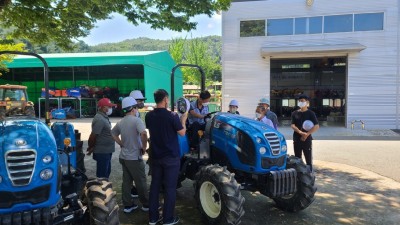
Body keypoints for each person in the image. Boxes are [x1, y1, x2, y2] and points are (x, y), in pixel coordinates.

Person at [145, 89, 187, 225]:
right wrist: (184, 119)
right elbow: (182, 133)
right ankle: (168, 219)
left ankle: (153, 218)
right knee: (169, 188)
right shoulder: (172, 116)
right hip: (170, 158)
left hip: (155, 156)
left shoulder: (149, 116)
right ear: (165, 99)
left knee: (155, 186)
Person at [111, 97, 149, 213]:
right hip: (134, 157)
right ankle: (146, 204)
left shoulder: (121, 121)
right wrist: (144, 147)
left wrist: (121, 143)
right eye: (136, 107)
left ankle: (127, 205)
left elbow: (113, 133)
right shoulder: (136, 120)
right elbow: (143, 133)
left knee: (126, 182)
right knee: (141, 181)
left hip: (124, 157)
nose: (137, 109)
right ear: (133, 108)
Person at [86, 98, 116, 179]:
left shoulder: (104, 117)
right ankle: (101, 189)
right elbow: (93, 136)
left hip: (106, 150)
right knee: (102, 175)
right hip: (102, 151)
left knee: (106, 171)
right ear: (103, 108)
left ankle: (104, 188)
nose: (111, 108)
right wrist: (91, 147)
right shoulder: (100, 119)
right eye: (109, 107)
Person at [291, 94, 319, 172]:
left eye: (302, 101)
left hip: (307, 139)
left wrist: (307, 134)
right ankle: (298, 175)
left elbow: (316, 126)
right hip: (297, 138)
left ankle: (309, 173)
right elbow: (292, 125)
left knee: (308, 158)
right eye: (299, 101)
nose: (300, 102)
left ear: (307, 102)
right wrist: (300, 132)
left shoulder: (311, 113)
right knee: (297, 158)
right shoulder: (294, 113)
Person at [129, 89, 147, 197]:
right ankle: (137, 191)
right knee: (137, 170)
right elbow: (141, 133)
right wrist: (143, 146)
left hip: (135, 145)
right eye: (139, 100)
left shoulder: (136, 114)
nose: (141, 103)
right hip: (135, 147)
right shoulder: (133, 116)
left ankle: (133, 189)